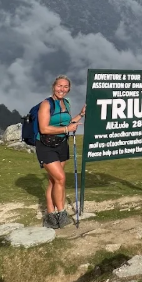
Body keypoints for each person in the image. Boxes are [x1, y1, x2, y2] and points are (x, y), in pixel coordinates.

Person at [36, 75, 86, 229]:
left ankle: (50, 215)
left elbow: (68, 122)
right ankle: (61, 213)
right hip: (45, 145)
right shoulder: (46, 104)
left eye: (65, 87)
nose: (62, 89)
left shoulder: (67, 103)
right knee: (61, 178)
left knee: (54, 181)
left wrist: (81, 115)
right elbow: (44, 128)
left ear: (69, 89)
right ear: (54, 86)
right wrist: (66, 129)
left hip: (62, 144)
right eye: (59, 86)